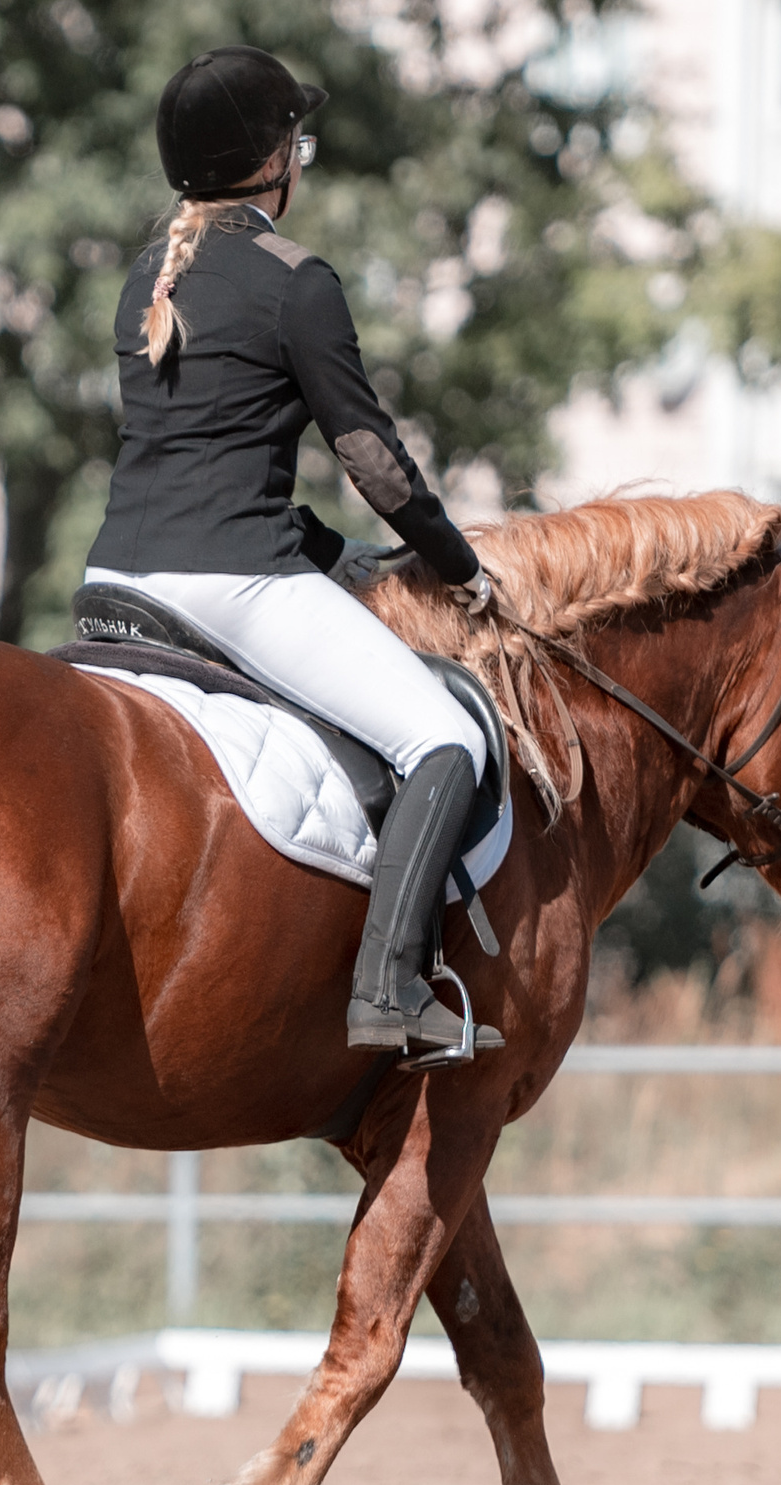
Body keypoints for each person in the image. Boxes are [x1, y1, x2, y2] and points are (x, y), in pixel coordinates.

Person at [85, 46, 503, 1060]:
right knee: (445, 739)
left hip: (112, 579)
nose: (301, 158)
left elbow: (198, 456)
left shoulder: (150, 274)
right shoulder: (294, 278)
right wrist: (458, 568)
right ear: (274, 160)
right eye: (296, 141)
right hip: (230, 586)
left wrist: (329, 551)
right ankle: (389, 987)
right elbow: (374, 459)